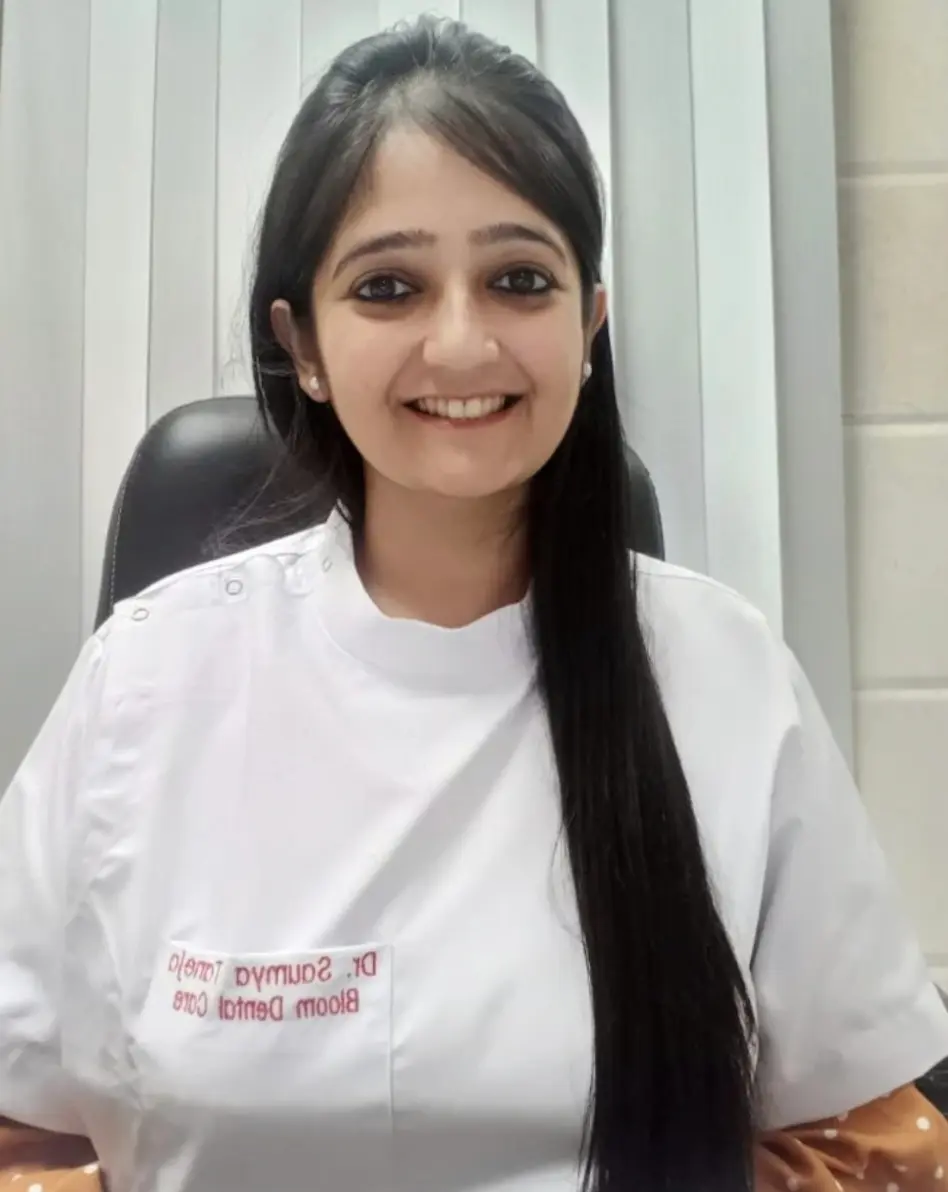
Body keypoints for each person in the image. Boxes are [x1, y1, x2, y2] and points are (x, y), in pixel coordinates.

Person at [1, 16, 947, 1192]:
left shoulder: (725, 677)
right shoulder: (146, 682)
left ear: (588, 323)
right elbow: (22, 1137)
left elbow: (869, 1144)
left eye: (518, 281)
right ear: (302, 343)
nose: (460, 343)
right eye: (388, 287)